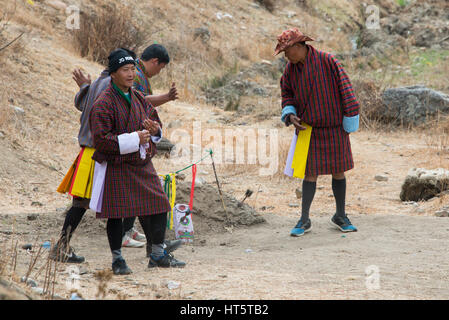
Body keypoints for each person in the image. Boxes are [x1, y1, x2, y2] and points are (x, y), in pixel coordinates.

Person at [89, 48, 185, 274]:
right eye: (125, 70)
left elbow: (155, 124)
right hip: (116, 164)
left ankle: (158, 254)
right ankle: (117, 259)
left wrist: (154, 131)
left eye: (133, 69)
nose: (131, 74)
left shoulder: (139, 98)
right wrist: (135, 138)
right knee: (115, 214)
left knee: (160, 204)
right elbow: (101, 140)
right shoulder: (103, 104)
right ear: (113, 74)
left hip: (141, 163)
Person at [274, 28, 360, 237]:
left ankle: (340, 215)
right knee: (309, 174)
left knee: (338, 171)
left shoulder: (328, 61)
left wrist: (350, 117)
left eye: (287, 51)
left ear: (299, 46)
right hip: (308, 128)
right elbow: (287, 95)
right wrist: (290, 114)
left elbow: (346, 90)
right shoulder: (290, 71)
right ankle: (304, 219)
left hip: (334, 127)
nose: (286, 56)